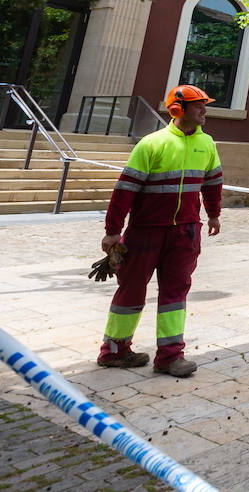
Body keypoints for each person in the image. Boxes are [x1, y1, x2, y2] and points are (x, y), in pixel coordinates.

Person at [97, 84, 223, 377]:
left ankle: (169, 356)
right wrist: (113, 231)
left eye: (204, 106)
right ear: (178, 110)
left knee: (175, 293)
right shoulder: (151, 144)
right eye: (199, 106)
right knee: (130, 291)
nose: (204, 111)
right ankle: (114, 351)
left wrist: (214, 215)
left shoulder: (208, 144)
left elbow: (213, 182)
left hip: (185, 234)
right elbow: (125, 190)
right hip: (145, 232)